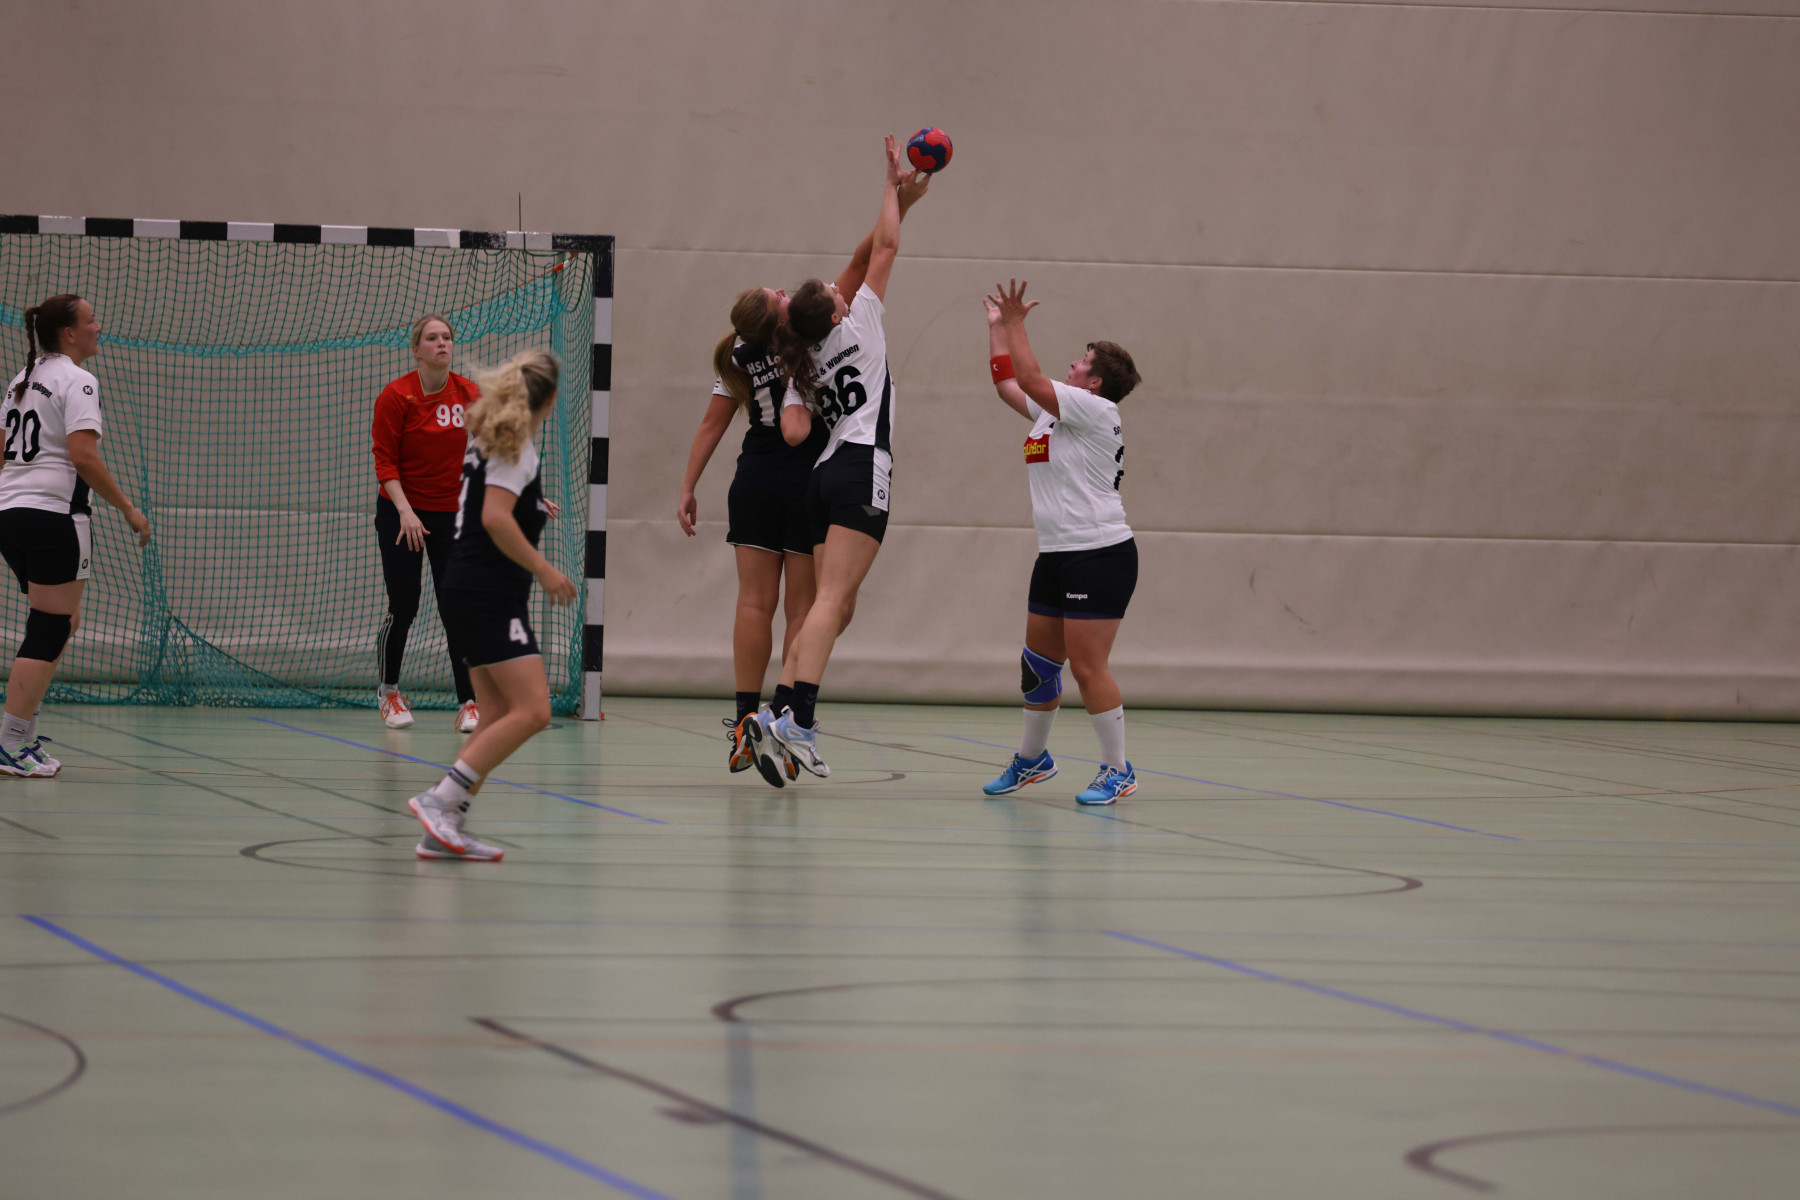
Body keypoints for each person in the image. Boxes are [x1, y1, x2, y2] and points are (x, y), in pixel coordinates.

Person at [680, 166, 930, 787]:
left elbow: (748, 426)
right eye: (780, 293)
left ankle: (757, 716)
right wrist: (897, 195)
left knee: (770, 603)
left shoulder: (769, 357)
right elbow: (875, 253)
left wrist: (687, 486)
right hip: (843, 466)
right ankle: (792, 716)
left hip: (775, 474)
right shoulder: (839, 331)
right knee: (821, 605)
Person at [978, 279, 1143, 805]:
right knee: (1038, 665)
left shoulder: (1095, 410)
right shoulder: (1057, 413)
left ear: (1095, 382)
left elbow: (1028, 376)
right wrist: (998, 329)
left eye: (1082, 361)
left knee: (1088, 668)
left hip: (1099, 553)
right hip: (1056, 554)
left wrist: (1017, 323)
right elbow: (1009, 384)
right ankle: (1033, 760)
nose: (1072, 363)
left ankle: (1118, 769)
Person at [407, 348, 576, 860]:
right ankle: (440, 800)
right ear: (549, 400)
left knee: (497, 712)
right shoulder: (516, 446)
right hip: (488, 593)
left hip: (469, 588)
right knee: (535, 711)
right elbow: (495, 518)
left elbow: (499, 506)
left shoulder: (490, 440)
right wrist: (545, 570)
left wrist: (533, 507)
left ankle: (444, 827)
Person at [0, 295, 152, 778]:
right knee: (51, 625)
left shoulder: (21, 380)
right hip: (53, 516)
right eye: (91, 320)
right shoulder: (78, 379)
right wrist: (128, 509)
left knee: (60, 622)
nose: (98, 327)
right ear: (69, 333)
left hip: (11, 514)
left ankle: (22, 735)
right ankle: (9, 742)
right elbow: (83, 457)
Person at [370, 314, 480, 732]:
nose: (442, 344)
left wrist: (524, 492)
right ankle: (388, 692)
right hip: (402, 514)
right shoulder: (397, 396)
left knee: (458, 608)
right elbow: (385, 462)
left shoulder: (468, 394)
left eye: (447, 337)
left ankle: (469, 702)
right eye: (432, 338)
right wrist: (405, 511)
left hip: (450, 514)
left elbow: (494, 448)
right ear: (416, 350)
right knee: (405, 604)